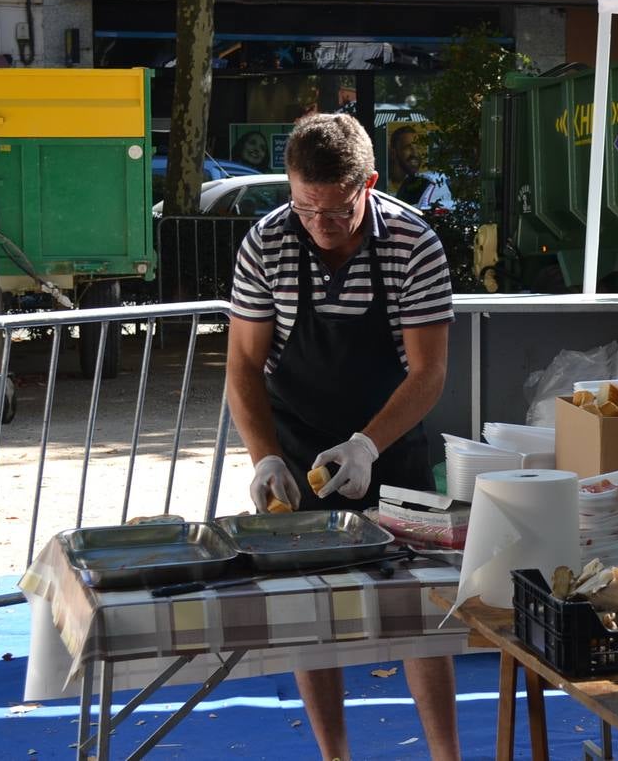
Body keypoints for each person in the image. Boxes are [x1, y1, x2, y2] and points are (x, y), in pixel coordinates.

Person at [225, 113, 459, 761]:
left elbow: (428, 371)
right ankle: (335, 756)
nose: (321, 225)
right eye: (306, 208)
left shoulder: (413, 241)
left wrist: (367, 445)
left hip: (395, 439)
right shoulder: (266, 242)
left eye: (338, 211)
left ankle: (446, 755)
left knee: (421, 613)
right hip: (297, 446)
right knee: (310, 615)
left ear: (370, 184)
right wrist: (265, 456)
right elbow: (243, 365)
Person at [389, 126, 432, 206]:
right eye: (408, 147)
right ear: (393, 153)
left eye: (418, 147)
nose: (415, 153)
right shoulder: (384, 187)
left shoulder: (426, 185)